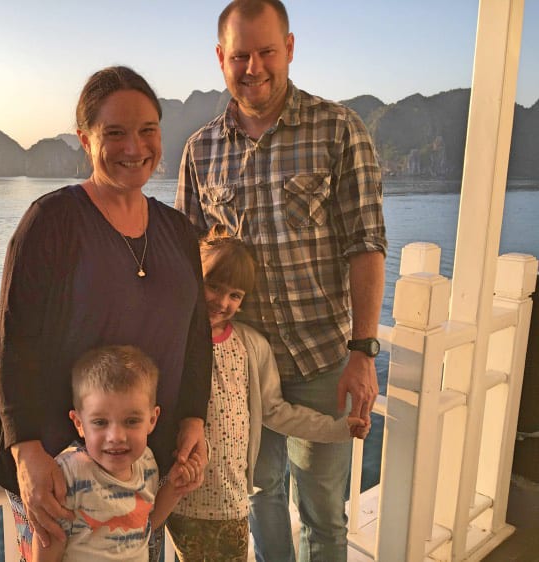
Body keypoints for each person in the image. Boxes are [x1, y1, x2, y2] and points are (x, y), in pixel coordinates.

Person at [175, 1, 387, 560]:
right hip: (242, 369)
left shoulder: (338, 129)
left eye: (266, 51)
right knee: (261, 497)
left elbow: (366, 246)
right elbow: (186, 268)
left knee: (324, 513)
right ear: (221, 58)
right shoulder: (202, 150)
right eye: (239, 55)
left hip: (322, 360)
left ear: (289, 48)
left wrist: (363, 351)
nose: (254, 67)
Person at [0, 65, 212, 562]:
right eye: (115, 133)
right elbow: (12, 341)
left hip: (139, 468)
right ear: (85, 140)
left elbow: (196, 337)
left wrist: (194, 418)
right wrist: (27, 453)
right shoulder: (51, 222)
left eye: (148, 130)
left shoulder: (176, 230)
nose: (135, 146)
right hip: (60, 472)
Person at [166, 228, 370, 562]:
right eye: (213, 286)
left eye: (235, 295)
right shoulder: (171, 339)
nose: (222, 301)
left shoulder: (251, 347)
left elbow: (277, 411)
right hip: (175, 489)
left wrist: (338, 428)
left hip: (229, 497)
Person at [35, 345, 202, 562]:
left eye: (131, 421)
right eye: (100, 422)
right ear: (79, 423)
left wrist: (174, 488)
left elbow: (145, 524)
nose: (116, 436)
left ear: (152, 419)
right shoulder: (68, 473)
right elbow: (49, 543)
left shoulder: (147, 463)